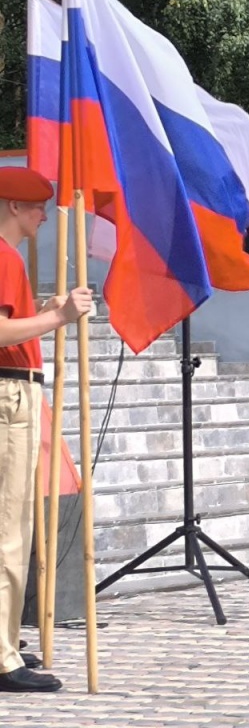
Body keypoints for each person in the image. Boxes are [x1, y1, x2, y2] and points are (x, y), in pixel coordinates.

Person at [0, 167, 92, 693]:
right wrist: (58, 319)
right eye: (36, 206)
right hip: (9, 393)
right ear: (14, 206)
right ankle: (1, 656)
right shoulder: (3, 255)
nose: (43, 215)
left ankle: (6, 639)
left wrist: (43, 311)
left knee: (13, 527)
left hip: (15, 389)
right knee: (8, 529)